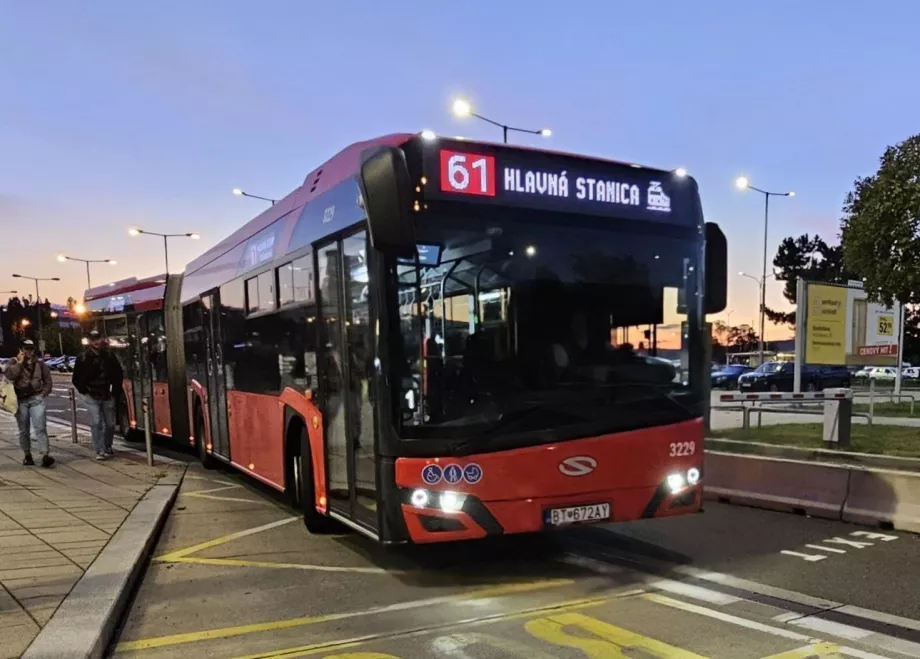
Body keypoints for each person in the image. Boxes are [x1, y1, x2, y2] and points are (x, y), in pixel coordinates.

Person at [72, 330, 124, 460]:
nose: (96, 341)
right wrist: (84, 390)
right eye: (93, 339)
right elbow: (76, 378)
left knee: (110, 424)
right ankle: (99, 450)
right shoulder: (83, 358)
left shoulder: (109, 356)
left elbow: (118, 374)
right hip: (91, 394)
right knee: (96, 422)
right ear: (89, 341)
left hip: (107, 393)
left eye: (98, 338)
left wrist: (115, 392)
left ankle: (107, 446)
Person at [5, 339, 54, 467]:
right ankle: (27, 455)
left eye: (31, 349)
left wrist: (43, 393)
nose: (28, 351)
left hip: (36, 398)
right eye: (26, 349)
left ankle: (45, 455)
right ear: (21, 350)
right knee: (23, 430)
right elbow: (10, 376)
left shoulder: (40, 364)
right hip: (20, 401)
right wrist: (20, 363)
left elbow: (48, 381)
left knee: (40, 427)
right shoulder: (13, 362)